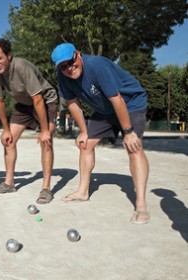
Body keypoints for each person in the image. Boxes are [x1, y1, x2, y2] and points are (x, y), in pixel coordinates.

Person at [51, 42, 150, 224]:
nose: (69, 68)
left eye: (70, 62)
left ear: (78, 55)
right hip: (105, 110)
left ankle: (141, 204)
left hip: (130, 104)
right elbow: (72, 103)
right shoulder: (63, 76)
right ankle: (83, 191)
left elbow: (117, 99)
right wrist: (83, 131)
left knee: (133, 146)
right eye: (63, 67)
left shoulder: (97, 65)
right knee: (85, 144)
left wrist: (128, 132)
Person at [0, 38, 58, 204]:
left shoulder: (22, 66)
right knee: (8, 141)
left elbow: (38, 99)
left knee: (46, 141)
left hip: (45, 101)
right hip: (24, 104)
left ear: (9, 56)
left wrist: (45, 130)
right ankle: (9, 183)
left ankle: (46, 188)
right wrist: (5, 129)